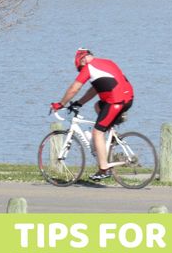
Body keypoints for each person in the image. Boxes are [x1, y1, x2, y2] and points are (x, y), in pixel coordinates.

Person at [51, 48, 134, 181]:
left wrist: (60, 104)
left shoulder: (89, 68)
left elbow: (75, 88)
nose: (82, 69)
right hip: (127, 99)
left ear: (82, 60)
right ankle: (111, 132)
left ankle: (103, 169)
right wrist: (79, 103)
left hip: (116, 102)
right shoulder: (107, 62)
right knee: (97, 106)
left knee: (97, 132)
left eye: (80, 67)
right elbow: (95, 89)